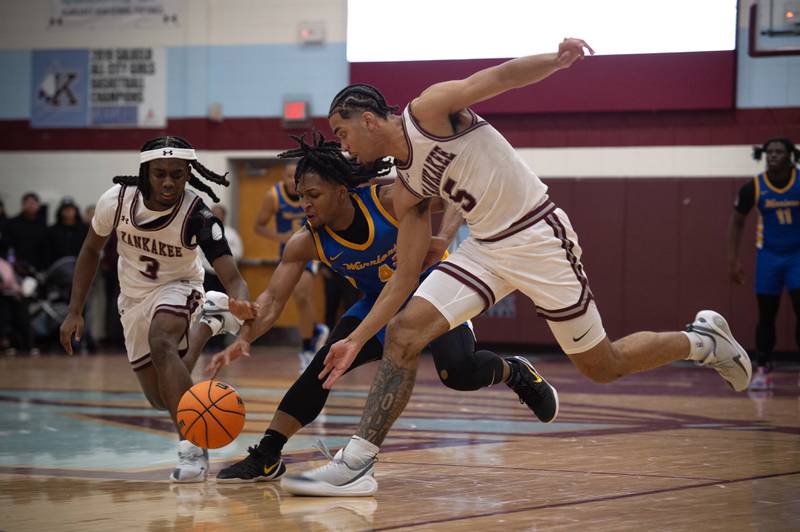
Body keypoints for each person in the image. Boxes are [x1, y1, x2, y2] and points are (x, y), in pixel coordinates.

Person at [281, 38, 753, 497]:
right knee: (404, 333)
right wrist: (358, 338)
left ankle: (701, 342)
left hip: (537, 238)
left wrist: (557, 59)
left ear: (367, 119)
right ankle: (357, 463)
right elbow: (405, 277)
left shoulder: (428, 111)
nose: (343, 147)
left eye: (342, 133)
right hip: (485, 249)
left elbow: (499, 77)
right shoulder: (406, 185)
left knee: (603, 366)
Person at [202, 133, 557, 487]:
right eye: (301, 197)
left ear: (341, 190)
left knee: (459, 372)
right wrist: (244, 334)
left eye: (313, 195)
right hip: (377, 303)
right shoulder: (305, 241)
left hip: (433, 289)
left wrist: (445, 237)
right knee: (322, 367)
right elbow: (273, 302)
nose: (305, 205)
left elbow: (455, 193)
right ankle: (267, 455)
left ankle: (514, 372)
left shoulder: (388, 198)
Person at [59, 136, 257, 483]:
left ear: (188, 174)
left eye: (178, 175)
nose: (169, 183)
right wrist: (75, 310)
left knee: (162, 341)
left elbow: (233, 276)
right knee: (158, 398)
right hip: (133, 298)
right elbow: (90, 251)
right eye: (160, 174)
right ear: (145, 172)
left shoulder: (198, 215)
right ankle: (209, 321)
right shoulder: (115, 201)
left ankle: (193, 449)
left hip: (180, 287)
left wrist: (240, 300)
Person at [729, 138, 800, 390]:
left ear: (790, 155)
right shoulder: (755, 187)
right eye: (769, 152)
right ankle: (763, 369)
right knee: (766, 315)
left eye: (779, 152)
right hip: (769, 256)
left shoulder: (799, 181)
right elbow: (737, 221)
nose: (773, 156)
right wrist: (734, 258)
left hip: (797, 256)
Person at [254, 161, 329, 370]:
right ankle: (315, 330)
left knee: (302, 294)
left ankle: (306, 348)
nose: (291, 180)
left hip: (312, 250)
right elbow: (258, 226)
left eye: (295, 176)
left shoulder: (314, 194)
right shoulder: (274, 196)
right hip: (289, 253)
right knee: (288, 298)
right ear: (283, 176)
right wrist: (279, 236)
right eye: (288, 176)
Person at [5, 192, 48, 273]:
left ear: (38, 205)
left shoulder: (42, 224)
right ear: (23, 205)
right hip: (17, 267)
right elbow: (8, 247)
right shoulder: (12, 223)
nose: (31, 206)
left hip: (38, 268)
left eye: (33, 203)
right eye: (28, 203)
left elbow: (46, 248)